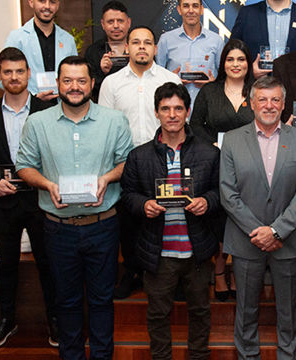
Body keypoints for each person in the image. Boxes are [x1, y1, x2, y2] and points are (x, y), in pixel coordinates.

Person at [15, 56, 134, 360]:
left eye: (81, 81)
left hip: (103, 226)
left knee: (101, 301)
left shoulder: (114, 120)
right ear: (57, 84)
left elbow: (127, 163)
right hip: (58, 229)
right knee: (66, 302)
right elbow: (24, 166)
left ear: (92, 83)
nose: (74, 87)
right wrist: (47, 184)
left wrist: (107, 178)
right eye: (67, 80)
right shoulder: (37, 123)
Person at [120, 83, 220, 360]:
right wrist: (144, 205)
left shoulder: (209, 152)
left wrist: (207, 201)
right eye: (165, 109)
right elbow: (127, 194)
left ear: (187, 111)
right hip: (158, 250)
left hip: (197, 249)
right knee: (158, 313)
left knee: (200, 310)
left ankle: (198, 356)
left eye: (178, 108)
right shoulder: (139, 156)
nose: (172, 115)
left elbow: (221, 191)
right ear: (156, 112)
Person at [219, 76, 296, 360]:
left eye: (275, 100)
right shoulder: (232, 140)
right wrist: (259, 232)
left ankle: (288, 355)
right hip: (246, 241)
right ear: (251, 103)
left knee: (289, 310)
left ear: (284, 105)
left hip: (288, 241)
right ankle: (247, 355)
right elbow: (228, 193)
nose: (269, 105)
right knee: (246, 310)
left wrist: (275, 231)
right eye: (262, 99)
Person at [0, 47, 56, 350]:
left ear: (29, 74)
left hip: (41, 201)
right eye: (8, 72)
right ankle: (6, 320)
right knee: (6, 263)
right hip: (3, 203)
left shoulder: (47, 111)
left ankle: (55, 320)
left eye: (20, 71)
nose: (14, 77)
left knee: (47, 263)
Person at [99, 25, 182, 299]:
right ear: (127, 48)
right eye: (136, 42)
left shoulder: (170, 79)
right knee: (130, 221)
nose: (142, 47)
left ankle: (170, 274)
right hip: (126, 163)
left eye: (147, 42)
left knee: (167, 218)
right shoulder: (111, 83)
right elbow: (105, 126)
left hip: (165, 160)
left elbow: (181, 120)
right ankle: (133, 272)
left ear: (156, 48)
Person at [189, 38, 256, 300]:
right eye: (230, 59)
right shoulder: (209, 91)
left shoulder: (257, 90)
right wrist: (214, 145)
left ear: (248, 63)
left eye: (241, 59)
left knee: (244, 219)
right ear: (223, 63)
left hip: (251, 166)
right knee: (219, 220)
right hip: (216, 165)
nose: (235, 64)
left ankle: (239, 272)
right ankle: (219, 272)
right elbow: (195, 125)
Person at [1, 0, 77, 101]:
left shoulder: (68, 40)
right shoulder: (16, 38)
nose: (47, 6)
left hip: (62, 105)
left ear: (57, 5)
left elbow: (76, 75)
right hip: (29, 105)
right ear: (31, 2)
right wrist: (33, 98)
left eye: (52, 2)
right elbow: (0, 79)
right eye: (42, 1)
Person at [156, 0, 225, 109]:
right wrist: (171, 81)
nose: (191, 10)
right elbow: (156, 76)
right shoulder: (166, 40)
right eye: (186, 6)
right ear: (179, 9)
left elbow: (225, 78)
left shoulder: (217, 41)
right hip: (175, 110)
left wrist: (213, 84)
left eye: (195, 6)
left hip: (208, 108)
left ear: (202, 9)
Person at [84, 0, 132, 102]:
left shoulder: (139, 49)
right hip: (104, 105)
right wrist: (102, 72)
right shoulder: (93, 51)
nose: (116, 26)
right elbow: (88, 88)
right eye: (110, 22)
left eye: (120, 21)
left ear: (128, 23)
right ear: (103, 24)